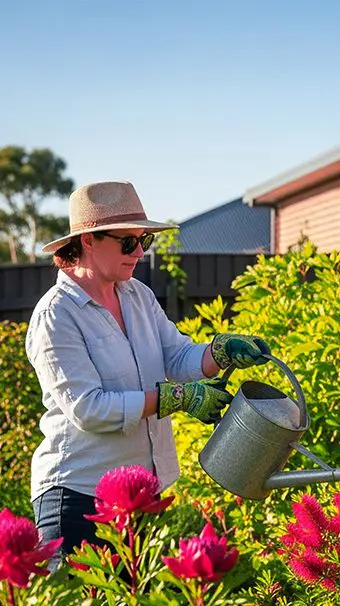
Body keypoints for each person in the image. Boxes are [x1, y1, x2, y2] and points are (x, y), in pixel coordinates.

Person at [27, 180, 273, 562]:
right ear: (88, 240)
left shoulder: (136, 295)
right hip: (79, 498)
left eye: (145, 240)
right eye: (128, 242)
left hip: (142, 494)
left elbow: (176, 356)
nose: (140, 252)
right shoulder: (56, 315)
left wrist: (220, 353)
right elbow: (88, 409)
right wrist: (177, 398)